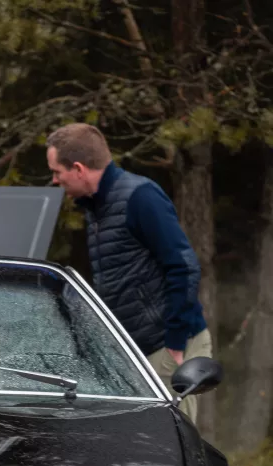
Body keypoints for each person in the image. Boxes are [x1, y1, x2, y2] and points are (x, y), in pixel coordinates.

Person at [46, 123, 212, 423]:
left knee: (172, 439)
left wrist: (175, 346)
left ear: (79, 169)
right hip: (137, 351)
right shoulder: (96, 208)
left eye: (57, 172)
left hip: (168, 345)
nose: (55, 180)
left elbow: (184, 267)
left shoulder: (141, 197)